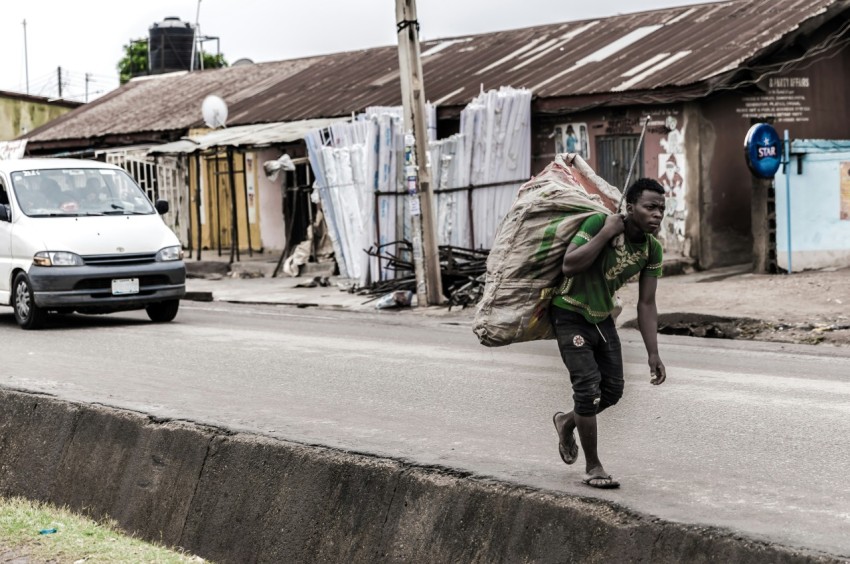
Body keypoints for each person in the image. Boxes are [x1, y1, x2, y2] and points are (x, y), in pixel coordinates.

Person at [550, 178, 667, 489]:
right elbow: (570, 265)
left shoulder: (652, 250)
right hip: (570, 311)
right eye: (650, 207)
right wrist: (605, 234)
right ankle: (593, 466)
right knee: (588, 389)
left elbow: (647, 303)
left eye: (661, 209)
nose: (657, 214)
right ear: (630, 208)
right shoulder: (599, 222)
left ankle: (566, 421)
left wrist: (653, 353)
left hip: (602, 318)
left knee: (612, 391)